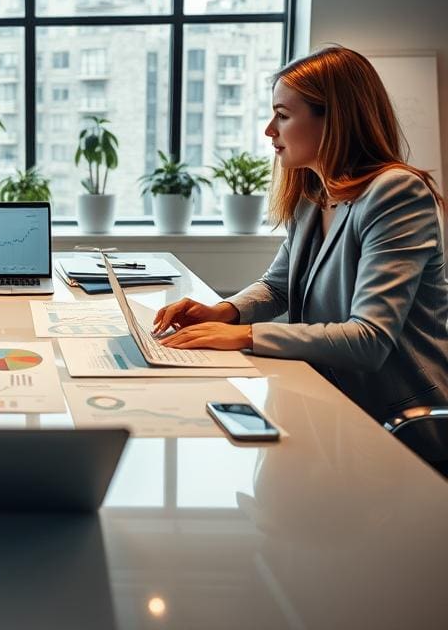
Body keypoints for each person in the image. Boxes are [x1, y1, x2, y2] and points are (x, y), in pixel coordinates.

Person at [153, 45, 448, 422]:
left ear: (334, 119)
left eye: (283, 115)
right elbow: (277, 287)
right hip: (327, 400)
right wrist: (222, 311)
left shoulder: (396, 193)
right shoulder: (314, 194)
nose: (269, 130)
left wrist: (246, 335)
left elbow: (370, 339)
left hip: (398, 422)